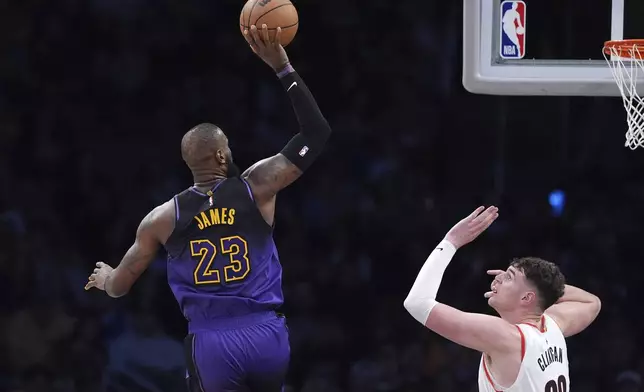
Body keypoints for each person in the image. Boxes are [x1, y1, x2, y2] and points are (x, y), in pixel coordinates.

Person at [85, 24, 332, 392]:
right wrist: (282, 66)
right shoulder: (257, 187)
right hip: (267, 335)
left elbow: (121, 286)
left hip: (213, 344)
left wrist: (106, 280)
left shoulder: (163, 218)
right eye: (228, 147)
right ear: (220, 155)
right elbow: (316, 133)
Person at [403, 206, 601, 391]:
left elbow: (417, 303)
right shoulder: (554, 324)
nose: (498, 278)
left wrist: (450, 242)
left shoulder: (506, 337)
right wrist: (543, 288)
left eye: (508, 277)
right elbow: (592, 302)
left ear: (526, 298)